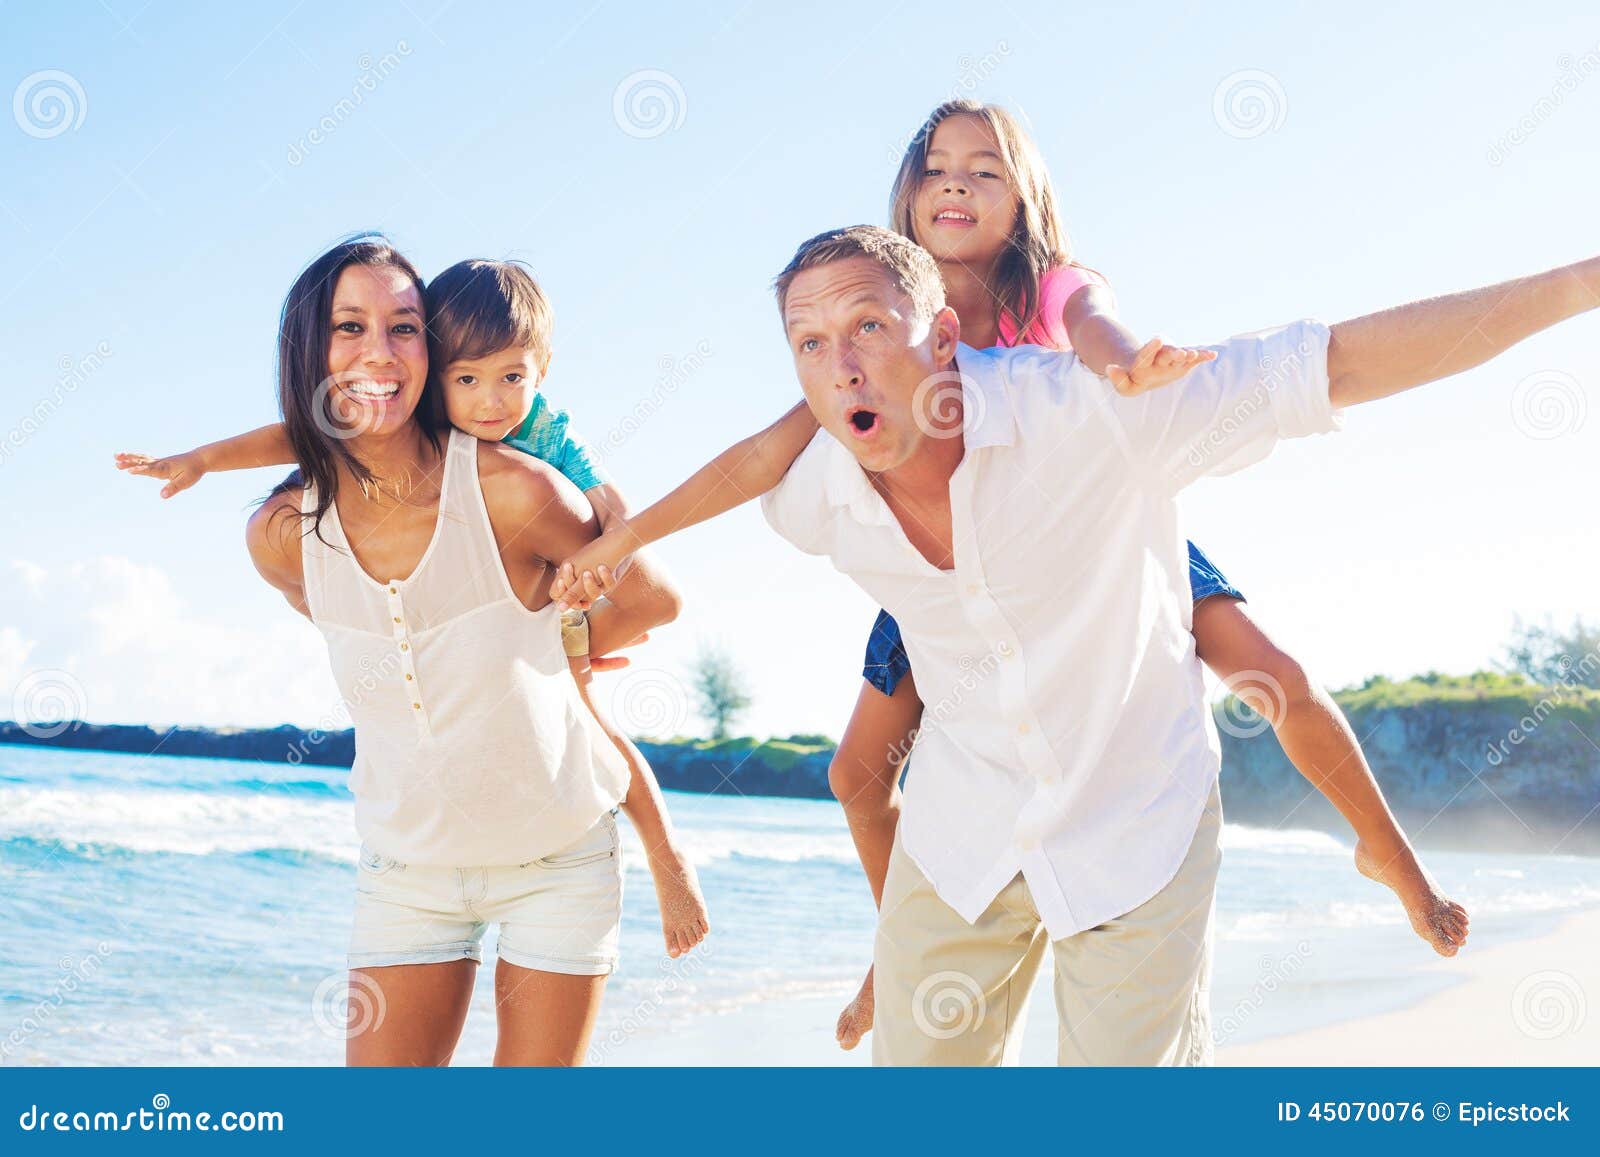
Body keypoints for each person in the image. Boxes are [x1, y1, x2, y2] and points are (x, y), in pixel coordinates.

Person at [549, 101, 1470, 1052]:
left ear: (1025, 199)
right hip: (941, 576)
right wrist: (625, 539)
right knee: (854, 772)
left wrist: (1130, 369)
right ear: (907, 198)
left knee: (1269, 674)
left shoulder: (1049, 286)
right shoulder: (868, 306)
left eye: (985, 170)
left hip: (1094, 542)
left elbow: (1101, 333)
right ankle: (896, 948)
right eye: (936, 167)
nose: (956, 182)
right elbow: (766, 454)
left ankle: (1389, 853)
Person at [117, 253, 710, 961]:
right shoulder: (320, 494)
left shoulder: (543, 452)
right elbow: (304, 433)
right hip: (407, 861)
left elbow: (636, 553)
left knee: (593, 722)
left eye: (402, 327)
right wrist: (203, 459)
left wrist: (564, 642)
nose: (491, 401)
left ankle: (669, 857)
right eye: (349, 326)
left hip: (559, 827)